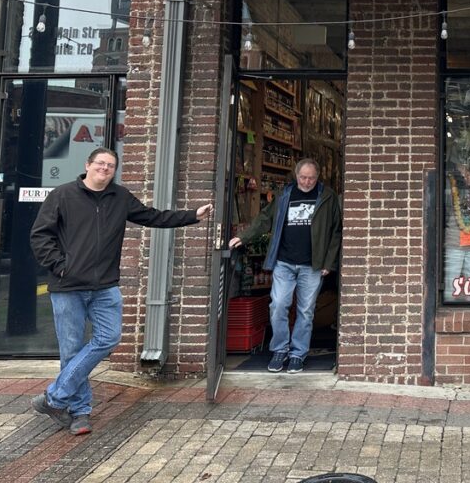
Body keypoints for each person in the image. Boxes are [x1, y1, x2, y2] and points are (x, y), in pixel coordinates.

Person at [29, 147, 213, 436]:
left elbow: (153, 217)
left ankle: (54, 398)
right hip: (67, 287)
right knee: (72, 350)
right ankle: (80, 413)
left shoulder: (120, 198)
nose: (105, 169)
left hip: (105, 286)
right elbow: (40, 235)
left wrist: (192, 215)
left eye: (111, 166)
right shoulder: (63, 195)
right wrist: (60, 266)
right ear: (87, 165)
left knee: (109, 338)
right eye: (100, 163)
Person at [229, 157, 342, 374]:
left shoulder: (327, 197)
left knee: (306, 311)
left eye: (311, 178)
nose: (307, 182)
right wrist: (244, 237)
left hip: (313, 264)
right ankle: (280, 349)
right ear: (296, 175)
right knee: (278, 305)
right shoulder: (285, 195)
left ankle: (298, 354)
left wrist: (330, 263)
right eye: (303, 177)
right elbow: (265, 218)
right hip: (285, 262)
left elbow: (336, 231)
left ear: (317, 177)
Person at [443, 161, 470, 302]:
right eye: (463, 171)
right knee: (451, 286)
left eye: (468, 172)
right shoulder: (449, 187)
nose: (466, 174)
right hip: (454, 243)